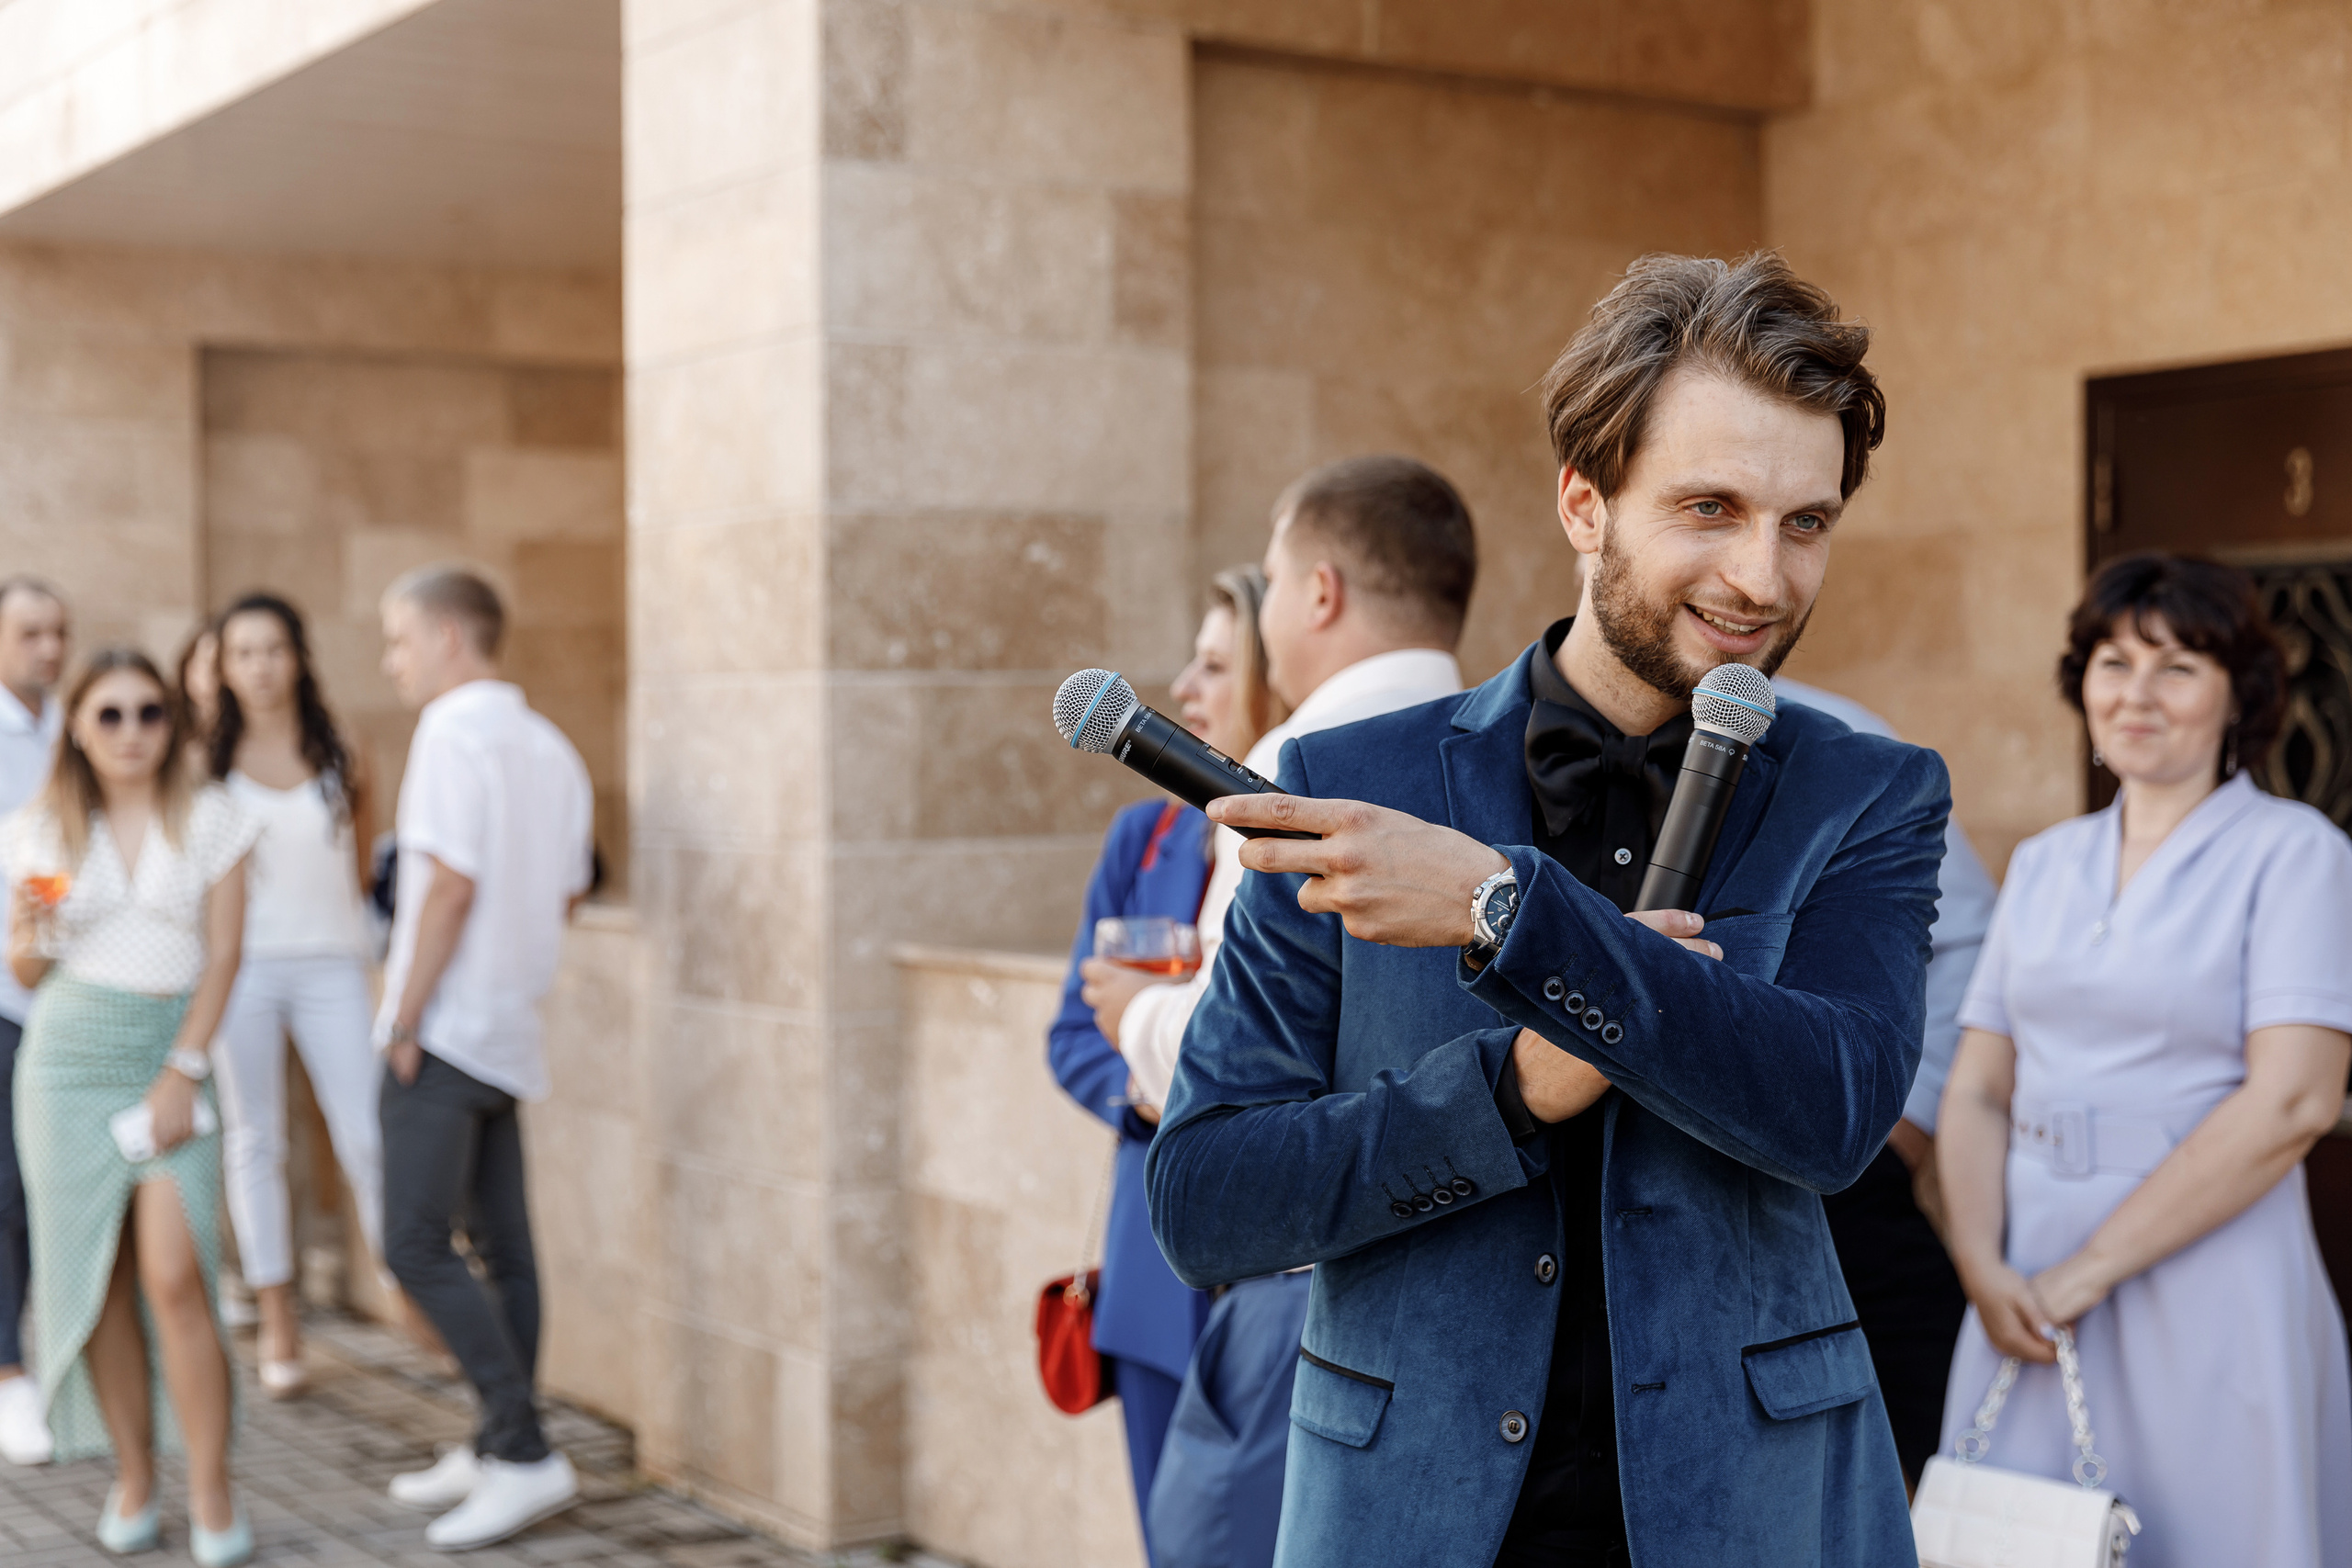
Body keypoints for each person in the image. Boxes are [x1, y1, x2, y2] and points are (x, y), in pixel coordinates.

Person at [1149, 253, 1943, 1568]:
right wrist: (1508, 1090)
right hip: (1411, 1513)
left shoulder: (1872, 792)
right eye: (1710, 506)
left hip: (1756, 1516)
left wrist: (1505, 908)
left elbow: (1835, 1111)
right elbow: (1208, 1199)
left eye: (1807, 522)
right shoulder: (1352, 779)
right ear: (1585, 501)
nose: (1763, 575)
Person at [1095, 456, 1476, 1568]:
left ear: (1316, 593)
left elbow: (1228, 1057)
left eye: (1268, 582)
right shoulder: (1502, 751)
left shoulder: (1293, 765)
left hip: (1303, 1289)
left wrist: (1130, 1019)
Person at [1937, 553, 2352, 1568]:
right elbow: (1979, 1089)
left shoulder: (2293, 853)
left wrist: (2090, 1270)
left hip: (2207, 1271)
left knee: (2217, 1532)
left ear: (2236, 696)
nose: (2136, 694)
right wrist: (1981, 1263)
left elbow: (2294, 1101)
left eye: (2176, 667)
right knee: (2009, 1542)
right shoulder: (2043, 863)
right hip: (2020, 1281)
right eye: (2112, 662)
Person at [1046, 565, 1283, 1561]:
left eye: (1216, 664)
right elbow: (1070, 1033)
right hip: (1155, 1272)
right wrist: (1150, 1092)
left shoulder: (1320, 832)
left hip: (1283, 1279)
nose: (1182, 688)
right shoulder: (1141, 836)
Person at [5, 649, 260, 1566]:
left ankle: (211, 1487)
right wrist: (36, 925)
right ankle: (135, 1478)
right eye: (107, 715)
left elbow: (225, 957)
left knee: (174, 1274)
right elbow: (25, 972)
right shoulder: (39, 830)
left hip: (169, 1056)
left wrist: (183, 1072)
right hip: (67, 1065)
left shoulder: (217, 818)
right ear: (75, 724)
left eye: (148, 713)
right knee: (98, 1282)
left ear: (172, 721)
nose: (130, 733)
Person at [372, 566, 593, 1551]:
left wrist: (404, 1016)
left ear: (452, 638)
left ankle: (522, 1448)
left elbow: (450, 884)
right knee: (504, 1248)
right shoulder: (551, 746)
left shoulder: (451, 731)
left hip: (449, 1027)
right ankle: (499, 1442)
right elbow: (568, 892)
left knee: (414, 1243)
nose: (393, 661)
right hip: (508, 1029)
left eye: (399, 640)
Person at [1774, 675, 1993, 1487]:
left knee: (1939, 1460)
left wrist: (1905, 1119)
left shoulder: (1837, 736)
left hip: (1842, 1180)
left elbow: (1964, 935)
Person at [207, 592, 383, 1401]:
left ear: (298, 656)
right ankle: (279, 1318)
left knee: (367, 1133)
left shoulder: (343, 749)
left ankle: (406, 1284)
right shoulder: (204, 765)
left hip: (332, 963)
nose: (260, 665)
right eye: (243, 652)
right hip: (241, 967)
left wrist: (373, 954)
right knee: (255, 1141)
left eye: (273, 648)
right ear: (224, 666)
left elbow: (361, 865)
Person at [0, 579, 65, 1468]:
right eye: (30, 632)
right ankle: (11, 1376)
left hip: (72, 995)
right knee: (6, 1194)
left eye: (59, 632)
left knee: (54, 1190)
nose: (49, 648)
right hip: (4, 996)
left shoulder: (76, 731)